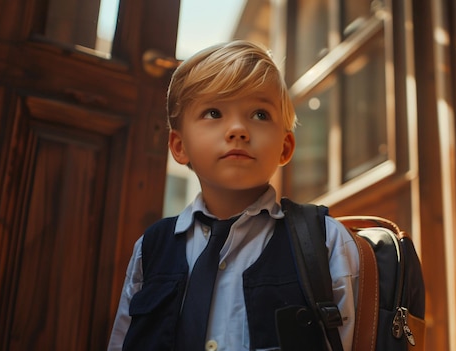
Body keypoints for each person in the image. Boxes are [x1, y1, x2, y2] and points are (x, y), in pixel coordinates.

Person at [108, 40, 360, 351]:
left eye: (259, 114)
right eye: (214, 112)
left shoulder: (326, 241)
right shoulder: (150, 249)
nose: (238, 129)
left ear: (285, 147)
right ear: (179, 146)